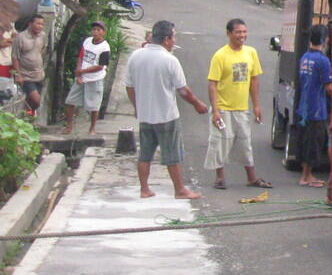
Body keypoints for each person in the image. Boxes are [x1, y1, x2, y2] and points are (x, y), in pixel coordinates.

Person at [124, 20, 207, 199]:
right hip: (166, 115)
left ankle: (144, 189)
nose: (174, 41)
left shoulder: (136, 56)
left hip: (145, 114)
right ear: (167, 39)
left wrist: (137, 106)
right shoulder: (170, 60)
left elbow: (129, 87)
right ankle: (179, 189)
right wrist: (197, 104)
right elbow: (183, 90)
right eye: (174, 37)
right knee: (173, 154)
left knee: (145, 153)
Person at [205, 17, 271, 190]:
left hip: (241, 108)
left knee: (245, 143)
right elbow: (212, 84)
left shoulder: (251, 53)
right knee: (220, 142)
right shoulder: (220, 55)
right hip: (223, 109)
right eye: (238, 32)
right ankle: (220, 177)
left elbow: (254, 80)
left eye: (244, 32)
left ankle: (251, 178)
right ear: (228, 34)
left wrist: (256, 105)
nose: (242, 35)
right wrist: (215, 111)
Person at [295, 26, 332, 188]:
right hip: (317, 109)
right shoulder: (323, 61)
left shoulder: (305, 57)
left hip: (304, 107)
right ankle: (306, 177)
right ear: (324, 41)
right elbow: (328, 87)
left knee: (306, 142)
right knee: (313, 143)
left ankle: (307, 175)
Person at [63, 21, 111, 134]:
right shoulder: (87, 41)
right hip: (82, 77)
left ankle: (92, 128)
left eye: (98, 30)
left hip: (95, 78)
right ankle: (69, 126)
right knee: (70, 101)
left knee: (94, 106)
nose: (95, 32)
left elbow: (100, 66)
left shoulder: (105, 47)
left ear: (103, 32)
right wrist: (79, 73)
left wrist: (82, 71)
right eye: (94, 29)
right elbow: (81, 56)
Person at [11, 14, 47, 118]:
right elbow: (15, 57)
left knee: (33, 100)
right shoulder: (20, 37)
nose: (40, 26)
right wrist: (18, 74)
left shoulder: (43, 36)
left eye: (42, 24)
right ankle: (29, 113)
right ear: (30, 23)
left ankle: (29, 115)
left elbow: (43, 49)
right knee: (37, 99)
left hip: (39, 74)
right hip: (26, 75)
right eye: (38, 23)